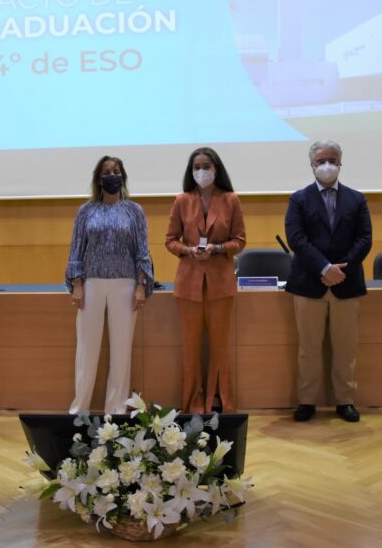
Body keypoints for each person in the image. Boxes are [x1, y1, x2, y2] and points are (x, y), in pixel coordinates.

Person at [285, 140, 372, 423]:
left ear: (340, 163)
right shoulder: (298, 199)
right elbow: (297, 239)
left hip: (347, 284)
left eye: (331, 160)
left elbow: (364, 238)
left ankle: (345, 401)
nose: (326, 166)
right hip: (309, 284)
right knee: (308, 349)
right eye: (320, 161)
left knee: (346, 349)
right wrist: (323, 267)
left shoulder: (357, 199)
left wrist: (340, 268)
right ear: (312, 165)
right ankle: (307, 401)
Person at [66, 156, 154, 415]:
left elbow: (142, 251)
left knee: (121, 351)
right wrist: (77, 284)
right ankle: (79, 410)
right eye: (106, 172)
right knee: (87, 350)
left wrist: (141, 285)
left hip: (125, 285)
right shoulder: (86, 211)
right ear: (98, 178)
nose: (112, 175)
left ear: (122, 176)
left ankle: (115, 412)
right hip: (91, 284)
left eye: (116, 171)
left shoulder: (134, 211)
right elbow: (76, 250)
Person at [165, 147, 247, 414]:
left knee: (219, 346)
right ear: (191, 171)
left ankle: (218, 400)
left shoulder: (231, 199)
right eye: (197, 167)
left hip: (220, 282)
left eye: (207, 166)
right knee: (190, 347)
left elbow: (240, 240)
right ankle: (193, 403)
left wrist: (218, 249)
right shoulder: (181, 200)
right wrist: (188, 251)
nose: (202, 171)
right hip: (188, 283)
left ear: (216, 168)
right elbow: (170, 240)